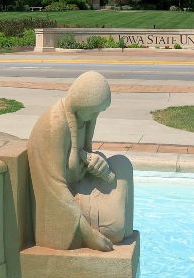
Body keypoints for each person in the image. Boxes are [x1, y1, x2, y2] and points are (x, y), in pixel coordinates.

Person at [27, 71, 134, 251]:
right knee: (115, 229)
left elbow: (78, 155)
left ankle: (121, 229)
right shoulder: (57, 124)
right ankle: (114, 229)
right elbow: (53, 187)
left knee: (123, 165)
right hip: (61, 203)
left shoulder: (82, 118)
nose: (96, 115)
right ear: (81, 101)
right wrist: (88, 234)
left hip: (80, 181)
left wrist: (96, 161)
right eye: (94, 110)